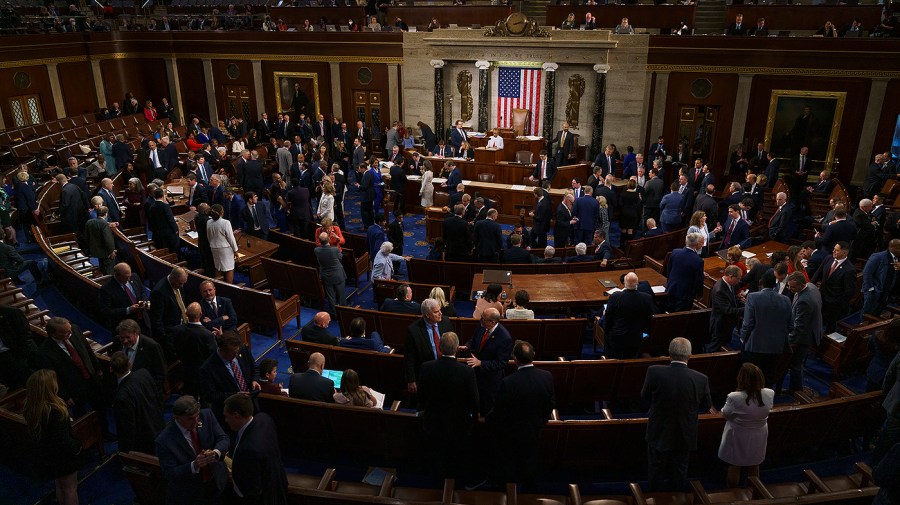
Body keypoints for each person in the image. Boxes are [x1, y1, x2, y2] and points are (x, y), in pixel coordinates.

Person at [641, 337, 712, 492]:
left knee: (656, 471)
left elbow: (644, 397)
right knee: (679, 472)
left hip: (658, 431)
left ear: (669, 354)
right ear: (690, 356)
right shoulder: (701, 379)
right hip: (685, 433)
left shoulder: (654, 371)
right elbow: (707, 406)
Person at [487, 340, 555, 488]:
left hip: (511, 433)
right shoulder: (547, 376)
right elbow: (550, 404)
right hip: (534, 429)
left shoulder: (508, 382)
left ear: (515, 359)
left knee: (509, 465)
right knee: (530, 465)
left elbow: (499, 411)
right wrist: (540, 422)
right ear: (533, 355)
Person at [416, 331, 479, 479]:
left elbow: (421, 395)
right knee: (455, 456)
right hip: (458, 424)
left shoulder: (426, 367)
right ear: (457, 348)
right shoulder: (467, 372)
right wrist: (472, 419)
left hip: (433, 420)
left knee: (436, 454)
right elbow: (474, 402)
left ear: (439, 346)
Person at [155, 395, 230, 505]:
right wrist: (194, 465)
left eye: (197, 416)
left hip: (217, 481)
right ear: (177, 417)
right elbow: (169, 474)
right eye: (190, 419)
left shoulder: (206, 415)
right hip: (191, 493)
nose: (196, 421)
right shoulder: (164, 440)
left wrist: (215, 452)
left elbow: (223, 438)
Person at [23, 370, 82, 505]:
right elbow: (63, 441)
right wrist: (78, 445)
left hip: (49, 457)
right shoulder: (55, 411)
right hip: (63, 458)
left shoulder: (31, 408)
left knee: (60, 487)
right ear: (49, 387)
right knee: (71, 489)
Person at [222, 393, 288, 505]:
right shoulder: (264, 419)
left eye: (226, 416)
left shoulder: (249, 450)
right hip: (277, 481)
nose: (225, 421)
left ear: (236, 415)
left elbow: (253, 491)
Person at [718, 363, 774, 488]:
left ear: (741, 379)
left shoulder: (734, 397)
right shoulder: (770, 393)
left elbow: (725, 415)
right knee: (754, 463)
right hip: (759, 434)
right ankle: (754, 490)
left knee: (735, 464)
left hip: (738, 435)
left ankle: (733, 493)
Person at [740, 271, 791, 388]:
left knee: (750, 380)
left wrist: (743, 339)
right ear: (775, 284)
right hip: (776, 348)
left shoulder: (753, 297)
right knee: (767, 381)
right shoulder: (786, 300)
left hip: (755, 346)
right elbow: (790, 325)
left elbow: (748, 323)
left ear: (761, 283)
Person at [198, 331, 260, 428]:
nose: (236, 355)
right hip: (231, 414)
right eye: (233, 353)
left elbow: (254, 367)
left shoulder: (241, 349)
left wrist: (254, 380)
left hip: (252, 404)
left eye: (237, 351)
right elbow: (210, 396)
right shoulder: (207, 368)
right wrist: (234, 395)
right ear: (222, 350)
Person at [110, 350, 164, 454]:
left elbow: (128, 427)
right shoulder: (144, 373)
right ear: (129, 364)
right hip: (158, 425)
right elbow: (157, 398)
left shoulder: (121, 397)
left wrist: (127, 451)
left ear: (111, 369)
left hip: (144, 440)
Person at [463, 307, 512, 415]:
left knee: (486, 408)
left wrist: (481, 363)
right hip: (476, 375)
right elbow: (474, 339)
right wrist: (467, 346)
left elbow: (501, 363)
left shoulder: (505, 338)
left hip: (490, 381)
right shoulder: (482, 326)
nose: (480, 320)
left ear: (493, 322)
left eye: (483, 319)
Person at [404, 299, 455, 395]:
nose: (440, 313)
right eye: (436, 312)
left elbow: (452, 343)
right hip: (427, 373)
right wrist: (411, 380)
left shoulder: (446, 321)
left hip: (446, 370)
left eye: (440, 310)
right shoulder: (413, 330)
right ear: (427, 315)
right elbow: (409, 357)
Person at [785, 272, 823, 393]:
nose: (790, 289)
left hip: (805, 336)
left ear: (802, 285)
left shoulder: (804, 301)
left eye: (793, 287)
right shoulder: (811, 286)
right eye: (789, 286)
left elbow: (799, 328)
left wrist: (786, 342)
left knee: (796, 365)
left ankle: (795, 390)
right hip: (812, 326)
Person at [603, 272, 655, 359]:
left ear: (624, 283)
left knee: (606, 333)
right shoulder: (647, 298)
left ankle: (611, 359)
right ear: (637, 284)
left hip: (617, 337)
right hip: (637, 337)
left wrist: (606, 330)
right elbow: (648, 319)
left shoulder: (615, 297)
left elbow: (608, 319)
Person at [810, 241, 856, 332]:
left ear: (844, 253)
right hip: (821, 296)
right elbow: (817, 274)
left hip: (834, 303)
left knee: (829, 326)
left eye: (837, 250)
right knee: (817, 320)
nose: (833, 251)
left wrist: (838, 303)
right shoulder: (828, 258)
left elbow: (849, 291)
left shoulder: (849, 269)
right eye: (834, 249)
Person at [150, 267, 189, 361]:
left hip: (181, 326)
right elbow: (156, 321)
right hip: (170, 333)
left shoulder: (178, 284)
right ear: (172, 278)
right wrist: (165, 340)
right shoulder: (159, 292)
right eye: (180, 283)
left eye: (184, 283)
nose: (182, 286)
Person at [707, 266, 744, 353]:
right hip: (720, 326)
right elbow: (728, 310)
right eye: (738, 279)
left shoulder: (728, 284)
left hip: (726, 325)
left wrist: (737, 298)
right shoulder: (720, 290)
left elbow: (730, 299)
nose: (739, 281)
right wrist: (746, 309)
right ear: (731, 276)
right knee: (713, 348)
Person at [665, 233, 705, 312]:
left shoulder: (675, 252)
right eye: (701, 243)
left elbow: (669, 270)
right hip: (685, 294)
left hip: (671, 288)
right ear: (696, 244)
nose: (703, 245)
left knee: (669, 313)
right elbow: (698, 280)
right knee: (680, 317)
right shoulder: (698, 260)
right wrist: (700, 294)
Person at [862, 240, 900, 316]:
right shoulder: (877, 256)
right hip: (874, 292)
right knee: (867, 314)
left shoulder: (896, 258)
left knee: (878, 312)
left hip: (886, 291)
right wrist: (871, 289)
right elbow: (867, 273)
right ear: (892, 248)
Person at [314, 232, 346, 314]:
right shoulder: (335, 249)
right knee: (341, 294)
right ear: (328, 239)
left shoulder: (316, 250)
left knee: (330, 296)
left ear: (319, 241)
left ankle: (334, 313)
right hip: (338, 274)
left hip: (326, 275)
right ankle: (343, 312)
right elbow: (340, 258)